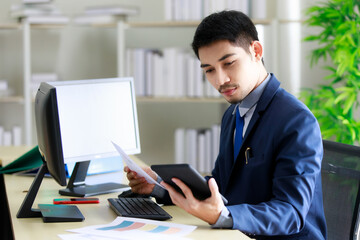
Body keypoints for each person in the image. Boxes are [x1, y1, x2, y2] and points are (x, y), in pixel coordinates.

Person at [124, 10, 327, 239]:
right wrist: (159, 186)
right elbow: (221, 187)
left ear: (256, 51)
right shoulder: (233, 113)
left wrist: (224, 215)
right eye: (209, 70)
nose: (220, 80)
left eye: (229, 63)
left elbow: (291, 213)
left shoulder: (297, 121)